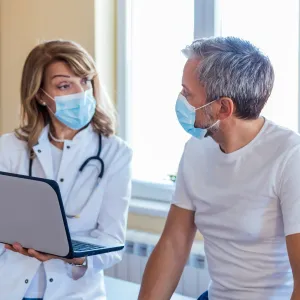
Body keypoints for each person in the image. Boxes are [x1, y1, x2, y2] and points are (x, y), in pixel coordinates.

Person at [138, 36, 300, 300]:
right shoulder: (196, 149)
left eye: (188, 94)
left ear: (223, 107)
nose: (181, 100)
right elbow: (174, 244)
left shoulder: (290, 155)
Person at [0, 40, 132, 300]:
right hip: (12, 288)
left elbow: (112, 242)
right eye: (64, 85)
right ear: (39, 95)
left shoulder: (116, 153)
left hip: (76, 294)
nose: (80, 92)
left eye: (85, 81)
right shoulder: (8, 148)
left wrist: (74, 257)